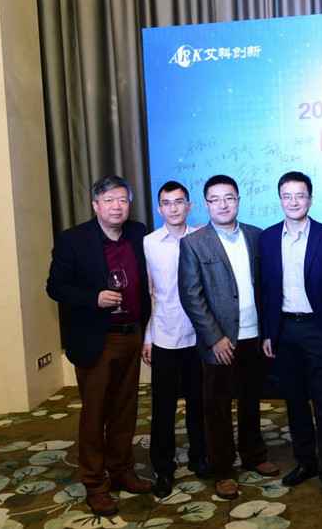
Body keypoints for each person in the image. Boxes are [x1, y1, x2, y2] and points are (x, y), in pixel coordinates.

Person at [46, 174, 152, 517]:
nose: (116, 207)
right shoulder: (73, 240)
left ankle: (122, 470)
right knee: (95, 413)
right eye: (108, 201)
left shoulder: (138, 233)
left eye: (122, 200)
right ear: (95, 205)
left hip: (131, 333)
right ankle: (94, 483)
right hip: (97, 337)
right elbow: (55, 287)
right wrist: (94, 298)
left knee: (125, 408)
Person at [178, 175, 279, 501]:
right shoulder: (194, 243)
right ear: (206, 204)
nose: (223, 205)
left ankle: (253, 454)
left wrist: (267, 331)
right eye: (215, 199)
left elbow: (266, 287)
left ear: (238, 200)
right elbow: (191, 296)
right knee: (217, 406)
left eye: (229, 198)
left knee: (251, 400)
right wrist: (214, 338)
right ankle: (222, 469)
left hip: (254, 335)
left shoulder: (256, 236)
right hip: (220, 341)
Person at [259, 171, 322, 510]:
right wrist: (269, 332)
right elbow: (265, 289)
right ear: (280, 199)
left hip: (317, 331)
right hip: (284, 330)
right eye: (287, 195)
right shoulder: (268, 238)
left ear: (310, 199)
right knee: (294, 401)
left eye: (300, 195)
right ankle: (305, 461)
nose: (294, 201)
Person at [142, 181, 208, 498]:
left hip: (199, 337)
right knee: (163, 408)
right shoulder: (149, 243)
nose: (173, 208)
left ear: (189, 206)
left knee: (199, 403)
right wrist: (148, 336)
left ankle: (200, 457)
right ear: (159, 209)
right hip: (165, 336)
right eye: (167, 203)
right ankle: (163, 468)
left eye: (179, 202)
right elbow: (149, 294)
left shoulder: (203, 238)